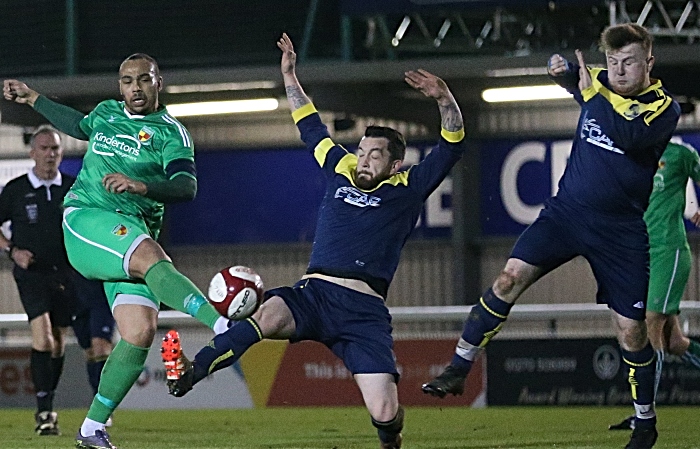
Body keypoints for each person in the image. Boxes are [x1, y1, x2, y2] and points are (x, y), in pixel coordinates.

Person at [161, 33, 466, 449]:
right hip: (314, 293)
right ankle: (190, 373)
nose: (363, 158)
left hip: (362, 313)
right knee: (266, 318)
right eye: (362, 150)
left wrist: (444, 97)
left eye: (375, 154)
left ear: (394, 164)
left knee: (383, 410)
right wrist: (289, 75)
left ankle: (391, 438)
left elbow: (452, 145)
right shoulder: (340, 167)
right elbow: (309, 125)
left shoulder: (408, 186)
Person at [421, 23, 680, 449]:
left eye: (629, 62)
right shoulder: (597, 84)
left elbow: (629, 136)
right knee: (508, 277)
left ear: (649, 62)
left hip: (620, 231)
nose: (617, 70)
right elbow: (579, 87)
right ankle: (458, 368)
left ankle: (645, 423)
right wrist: (557, 70)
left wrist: (590, 93)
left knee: (631, 331)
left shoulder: (662, 108)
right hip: (566, 214)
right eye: (612, 62)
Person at [3, 53, 231, 449]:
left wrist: (144, 186)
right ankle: (224, 325)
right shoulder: (107, 112)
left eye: (144, 79)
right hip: (88, 218)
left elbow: (186, 187)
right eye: (127, 81)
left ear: (158, 82)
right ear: (119, 86)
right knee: (150, 256)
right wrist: (33, 98)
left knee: (139, 331)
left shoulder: (171, 134)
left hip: (129, 234)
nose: (135, 88)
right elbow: (76, 123)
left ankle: (92, 427)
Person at [0, 126, 115, 436]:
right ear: (32, 153)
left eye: (55, 149)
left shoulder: (72, 188)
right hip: (32, 273)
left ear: (61, 153)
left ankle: (49, 408)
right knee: (44, 338)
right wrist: (12, 250)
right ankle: (43, 412)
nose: (50, 154)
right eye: (44, 148)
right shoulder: (15, 190)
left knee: (59, 343)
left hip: (67, 274)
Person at [609, 139, 700, 431]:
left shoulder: (680, 154)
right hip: (641, 253)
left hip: (669, 251)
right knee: (675, 343)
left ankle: (644, 413)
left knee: (649, 324)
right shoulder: (634, 154)